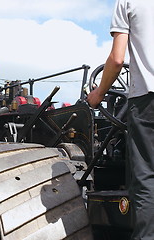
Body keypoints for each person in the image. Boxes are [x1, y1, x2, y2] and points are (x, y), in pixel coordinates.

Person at [87, 0, 154, 238]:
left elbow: (117, 59)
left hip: (147, 100)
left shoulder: (128, 1)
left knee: (146, 179)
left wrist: (98, 93)